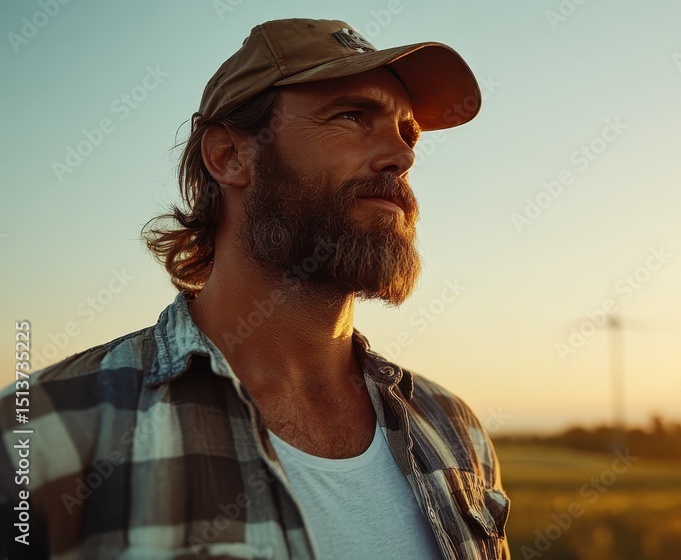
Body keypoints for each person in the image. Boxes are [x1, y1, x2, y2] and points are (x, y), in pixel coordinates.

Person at [0, 18, 509, 560]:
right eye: (352, 116)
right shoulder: (42, 431)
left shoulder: (453, 430)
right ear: (228, 158)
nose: (402, 156)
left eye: (408, 133)